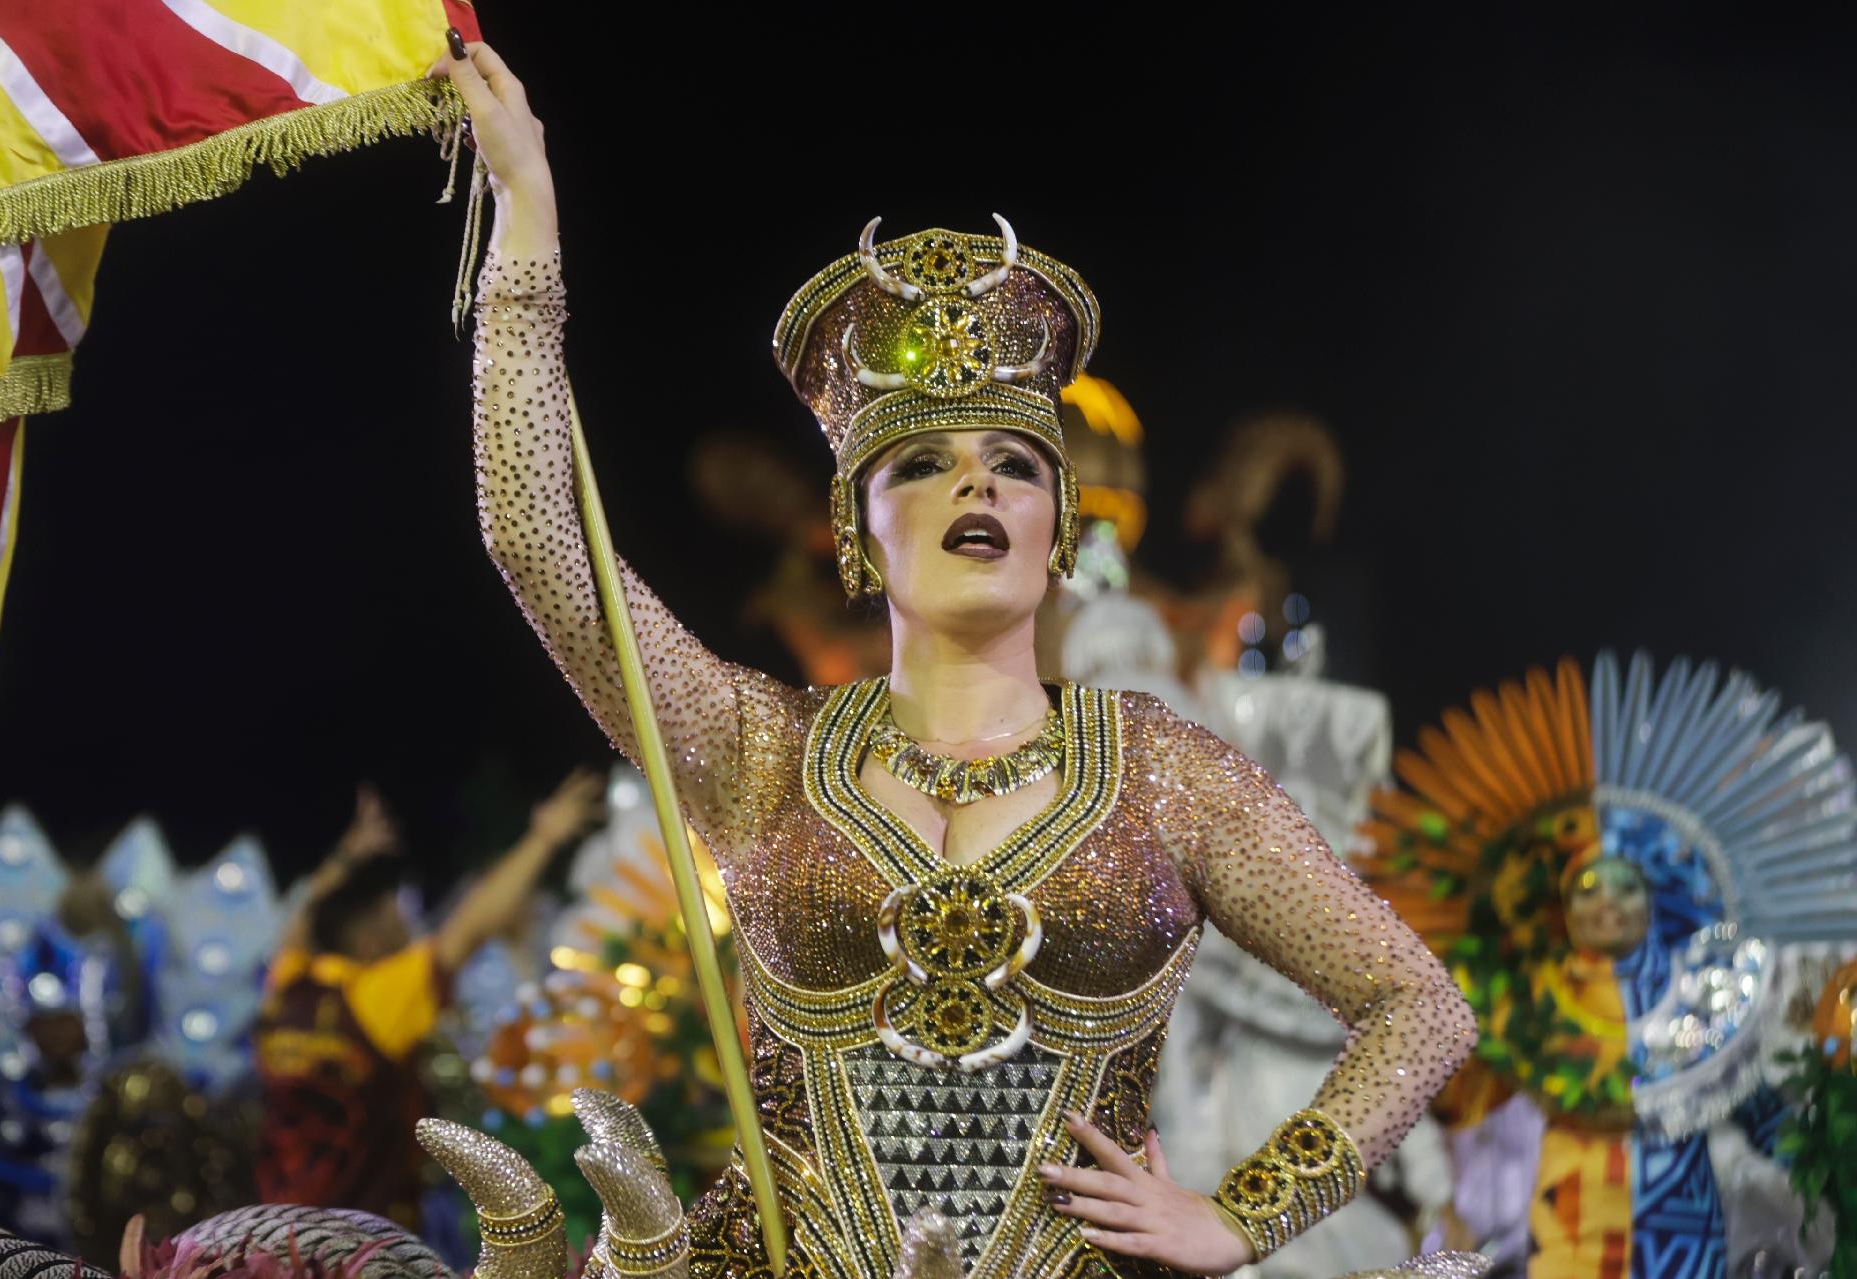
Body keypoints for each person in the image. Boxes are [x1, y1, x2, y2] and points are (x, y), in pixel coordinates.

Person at [440, 36, 1477, 1277]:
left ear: (1059, 530)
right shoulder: (758, 749)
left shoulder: (1165, 771)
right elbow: (533, 531)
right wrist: (527, 233)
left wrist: (1244, 1213)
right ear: (856, 530)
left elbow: (1421, 1006)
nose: (976, 480)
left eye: (1017, 464)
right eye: (922, 461)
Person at [254, 773, 599, 1228]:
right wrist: (543, 838)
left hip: (278, 1226)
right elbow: (470, 928)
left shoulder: (287, 987)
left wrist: (343, 859)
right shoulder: (373, 1000)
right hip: (357, 1239)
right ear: (368, 938)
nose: (405, 922)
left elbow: (303, 922)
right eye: (392, 913)